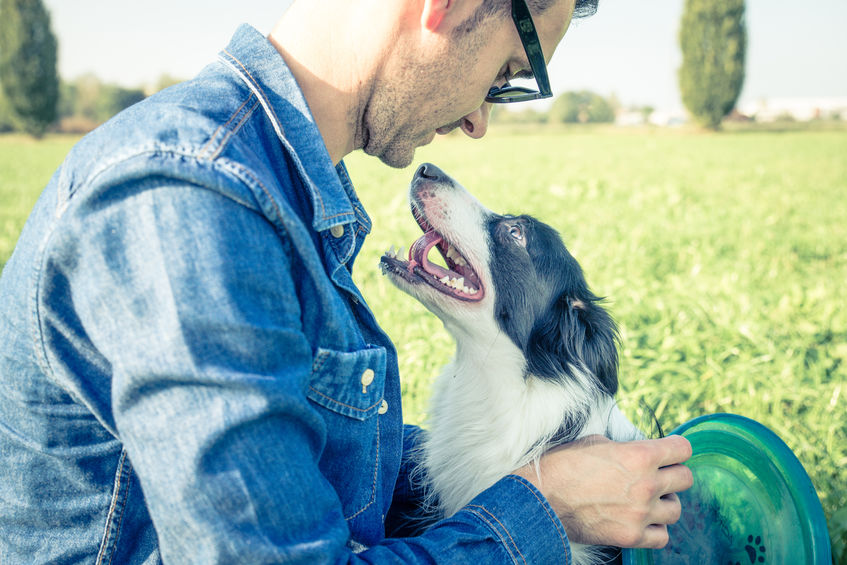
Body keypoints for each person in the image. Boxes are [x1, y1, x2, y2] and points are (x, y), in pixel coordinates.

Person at [0, 0, 693, 562]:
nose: (480, 119)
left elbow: (306, 463)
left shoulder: (279, 187)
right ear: (446, 7)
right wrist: (545, 505)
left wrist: (540, 460)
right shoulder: (192, 198)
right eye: (505, 70)